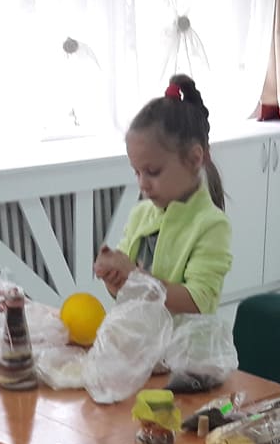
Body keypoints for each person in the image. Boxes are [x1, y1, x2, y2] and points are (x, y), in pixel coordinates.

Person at [93, 74, 232, 315]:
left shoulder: (212, 226)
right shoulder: (140, 215)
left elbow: (198, 301)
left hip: (186, 340)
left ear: (194, 159)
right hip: (140, 334)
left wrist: (135, 277)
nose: (142, 184)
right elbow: (125, 291)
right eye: (137, 172)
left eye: (153, 172)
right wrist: (113, 277)